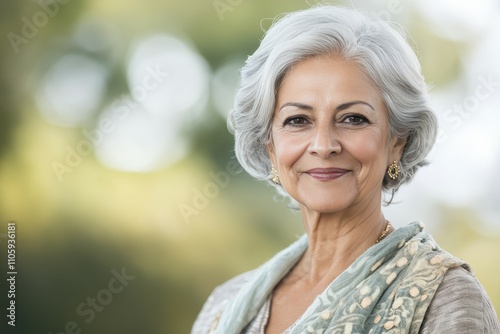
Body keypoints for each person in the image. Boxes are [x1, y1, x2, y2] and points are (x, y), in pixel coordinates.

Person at [192, 5, 500, 334]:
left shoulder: (446, 300)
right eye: (298, 120)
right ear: (270, 145)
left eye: (353, 119)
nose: (324, 146)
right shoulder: (224, 304)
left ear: (397, 141)